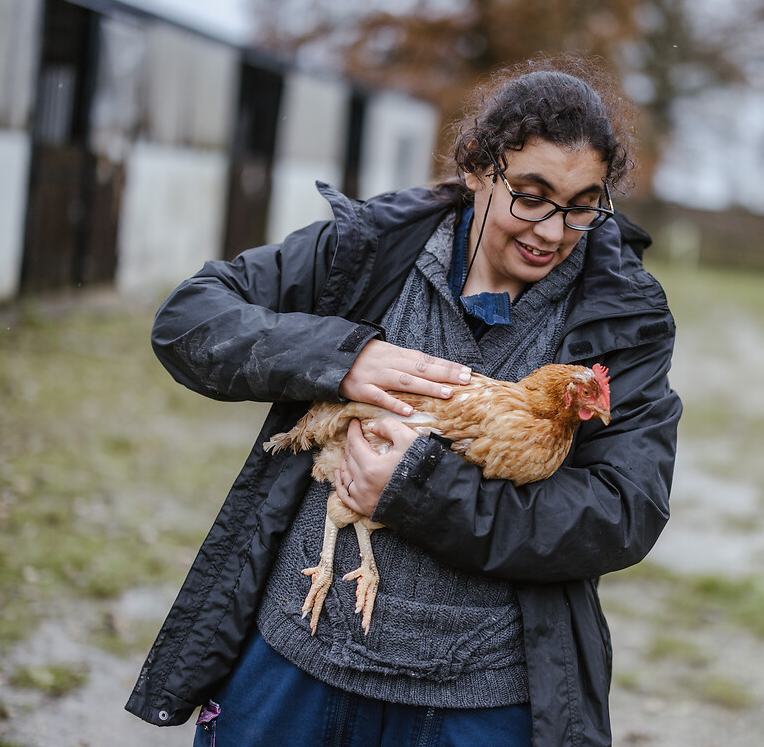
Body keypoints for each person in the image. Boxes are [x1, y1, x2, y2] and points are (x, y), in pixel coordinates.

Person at [125, 55, 682, 747]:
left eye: (579, 206)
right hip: (299, 660)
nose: (550, 231)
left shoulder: (621, 317)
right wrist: (340, 357)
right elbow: (189, 320)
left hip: (481, 698)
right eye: (530, 196)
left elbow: (623, 511)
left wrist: (422, 491)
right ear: (479, 167)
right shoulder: (368, 252)